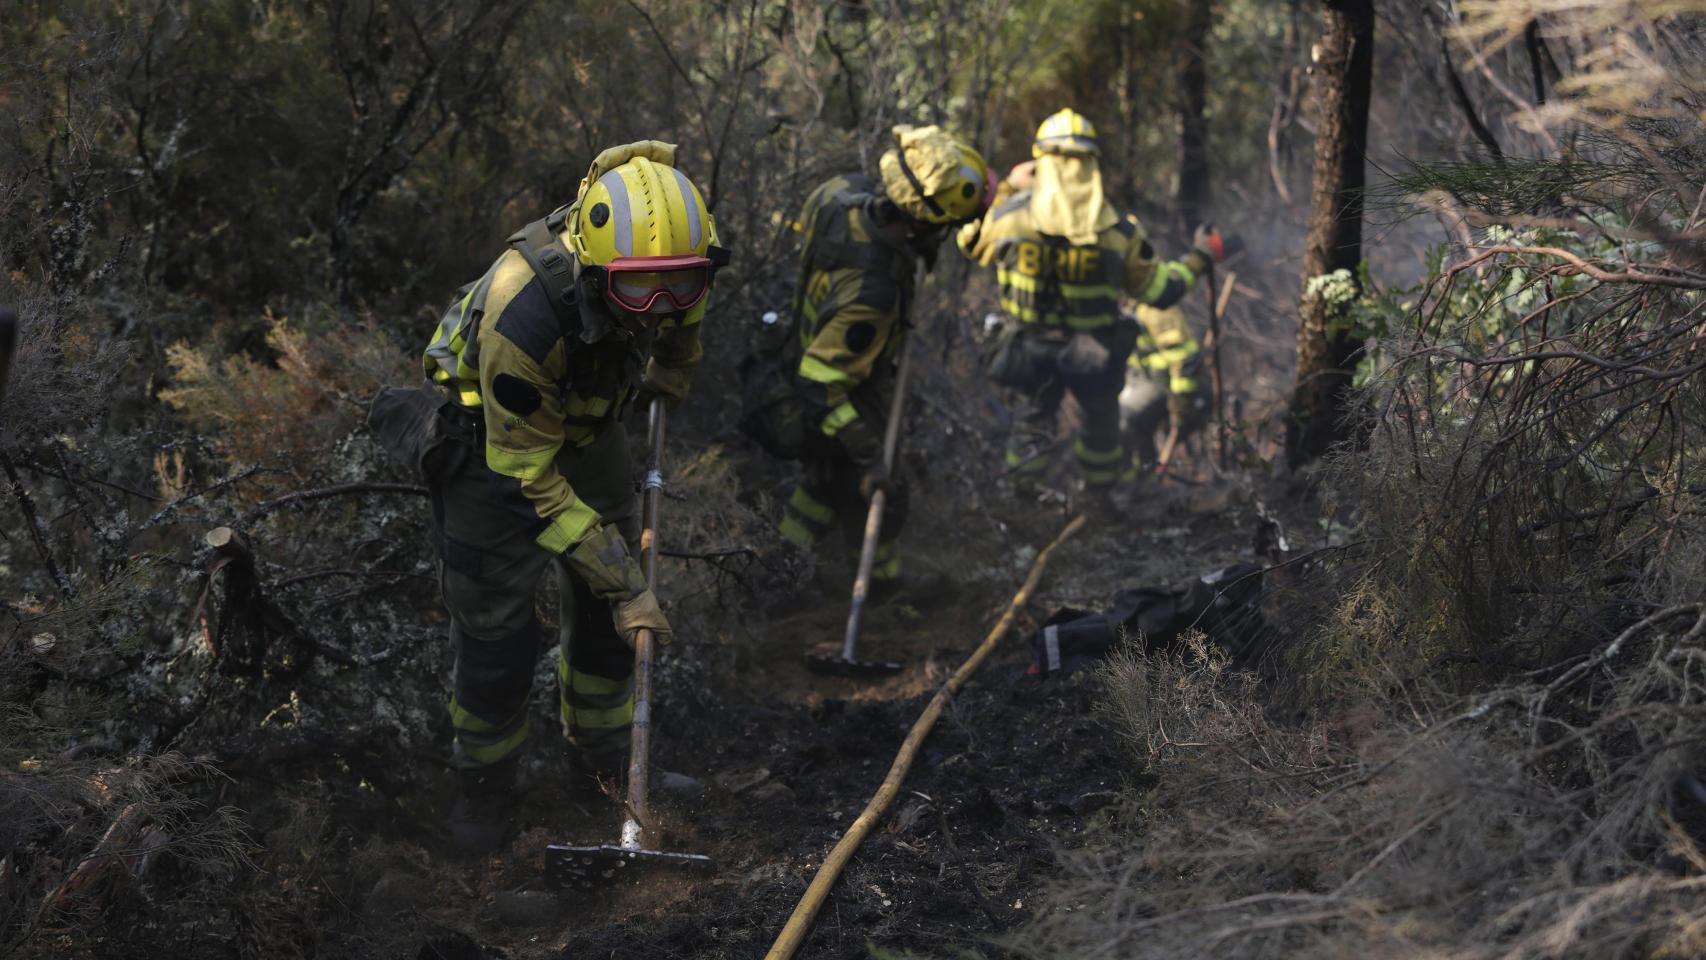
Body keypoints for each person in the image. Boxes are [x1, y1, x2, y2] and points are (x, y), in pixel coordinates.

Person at [406, 141, 724, 851]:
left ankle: (606, 767)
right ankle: (483, 790)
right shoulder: (522, 315)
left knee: (609, 618)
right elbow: (531, 477)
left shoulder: (678, 257)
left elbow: (682, 310)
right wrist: (625, 583)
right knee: (499, 635)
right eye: (640, 290)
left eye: (679, 285)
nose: (658, 308)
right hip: (495, 449)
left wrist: (675, 363)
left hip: (586, 428)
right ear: (594, 266)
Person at [958, 108, 1235, 500]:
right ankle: (1098, 501)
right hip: (1092, 351)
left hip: (1029, 347)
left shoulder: (1008, 219)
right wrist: (1199, 258)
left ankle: (1019, 501)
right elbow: (1162, 291)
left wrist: (1007, 187)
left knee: (1032, 423)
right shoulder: (1117, 232)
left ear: (1041, 161)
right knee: (1101, 425)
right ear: (1092, 165)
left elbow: (969, 242)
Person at [775, 125, 992, 598]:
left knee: (822, 480)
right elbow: (819, 385)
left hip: (806, 342)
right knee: (883, 491)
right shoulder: (873, 295)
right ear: (922, 221)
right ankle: (875, 584)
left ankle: (781, 570)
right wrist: (869, 454)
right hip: (837, 382)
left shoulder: (839, 193)